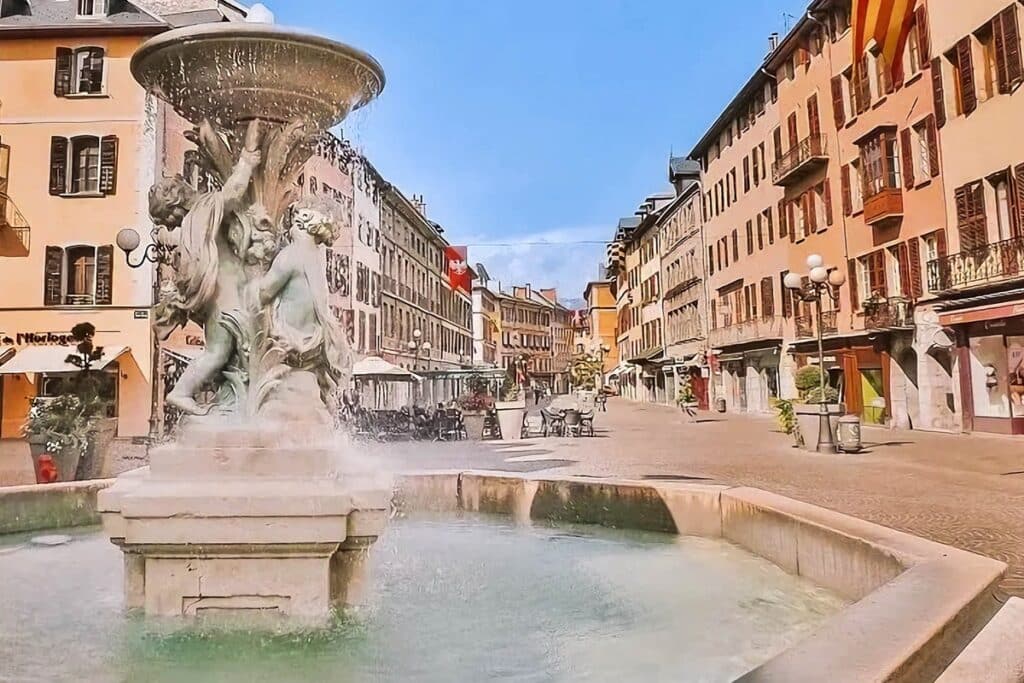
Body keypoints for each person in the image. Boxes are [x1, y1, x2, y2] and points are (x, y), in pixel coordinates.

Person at [149, 119, 262, 416]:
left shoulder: (191, 225)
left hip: (219, 297)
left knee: (225, 352)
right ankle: (183, 392)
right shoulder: (201, 211)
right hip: (228, 297)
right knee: (220, 352)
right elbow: (235, 191)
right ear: (179, 198)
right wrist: (249, 156)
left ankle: (226, 401)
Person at [258, 199, 351, 412]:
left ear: (304, 221)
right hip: (311, 342)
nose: (288, 228)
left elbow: (263, 293)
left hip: (288, 343)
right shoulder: (314, 259)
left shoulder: (291, 254)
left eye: (292, 221)